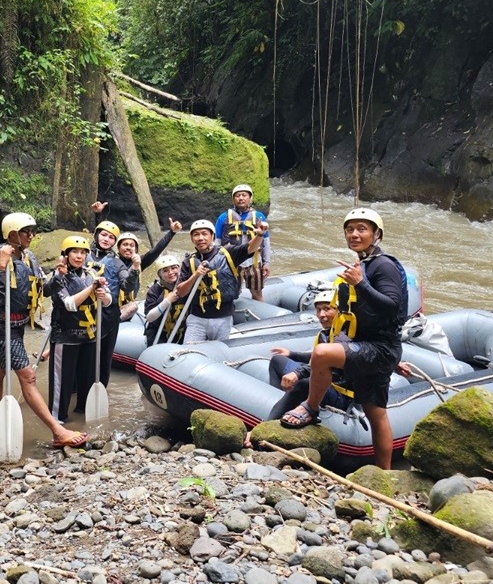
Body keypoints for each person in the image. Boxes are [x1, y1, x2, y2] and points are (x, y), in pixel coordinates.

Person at [280, 208, 409, 471]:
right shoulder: (364, 263)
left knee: (323, 354)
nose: (354, 234)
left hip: (380, 347)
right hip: (367, 345)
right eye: (350, 229)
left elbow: (393, 307)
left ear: (376, 234)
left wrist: (362, 284)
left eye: (362, 229)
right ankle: (383, 474)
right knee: (375, 412)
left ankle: (310, 408)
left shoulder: (383, 265)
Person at [0, 213, 90, 447]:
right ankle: (57, 431)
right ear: (12, 234)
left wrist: (59, 276)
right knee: (28, 377)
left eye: (32, 231)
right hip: (0, 324)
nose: (31, 235)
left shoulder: (29, 258)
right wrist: (0, 267)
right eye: (26, 231)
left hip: (18, 324)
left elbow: (44, 291)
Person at [45, 234, 111, 422]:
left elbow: (107, 302)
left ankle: (84, 415)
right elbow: (69, 304)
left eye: (83, 252)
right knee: (63, 384)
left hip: (89, 337)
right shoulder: (58, 277)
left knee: (87, 381)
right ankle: (57, 420)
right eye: (74, 251)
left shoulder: (91, 274)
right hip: (65, 337)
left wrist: (102, 294)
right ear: (65, 255)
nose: (79, 256)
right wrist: (91, 289)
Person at [174, 219, 265, 342]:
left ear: (212, 236)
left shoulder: (228, 253)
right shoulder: (188, 262)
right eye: (196, 235)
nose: (200, 238)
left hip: (223, 318)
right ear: (192, 239)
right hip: (197, 319)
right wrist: (195, 275)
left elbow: (250, 248)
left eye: (204, 233)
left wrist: (259, 235)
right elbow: (181, 292)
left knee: (219, 355)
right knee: (190, 353)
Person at [80, 219, 130, 411]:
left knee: (104, 359)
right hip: (84, 315)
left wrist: (132, 273)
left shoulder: (117, 263)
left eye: (111, 237)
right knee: (84, 358)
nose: (106, 239)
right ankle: (79, 393)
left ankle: (101, 391)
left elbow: (126, 282)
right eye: (103, 234)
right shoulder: (82, 254)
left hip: (109, 316)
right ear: (96, 234)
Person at [114, 217, 181, 321]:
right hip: (111, 305)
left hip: (127, 306)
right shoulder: (111, 262)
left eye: (132, 245)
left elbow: (156, 250)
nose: (128, 247)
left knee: (133, 306)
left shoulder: (139, 262)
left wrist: (172, 232)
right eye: (125, 244)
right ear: (118, 248)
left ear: (136, 249)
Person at [215, 184, 271, 302]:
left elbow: (265, 242)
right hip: (232, 262)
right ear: (233, 199)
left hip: (254, 262)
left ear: (250, 199)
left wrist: (267, 263)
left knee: (257, 293)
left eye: (244, 195)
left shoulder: (259, 217)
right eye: (238, 196)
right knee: (231, 293)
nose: (241, 198)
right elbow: (217, 242)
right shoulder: (223, 218)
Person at [144, 255, 185, 345]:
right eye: (165, 271)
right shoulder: (155, 290)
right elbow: (149, 318)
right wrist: (167, 301)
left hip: (181, 331)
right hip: (159, 331)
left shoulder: (185, 286)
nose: (170, 272)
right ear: (160, 275)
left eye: (174, 268)